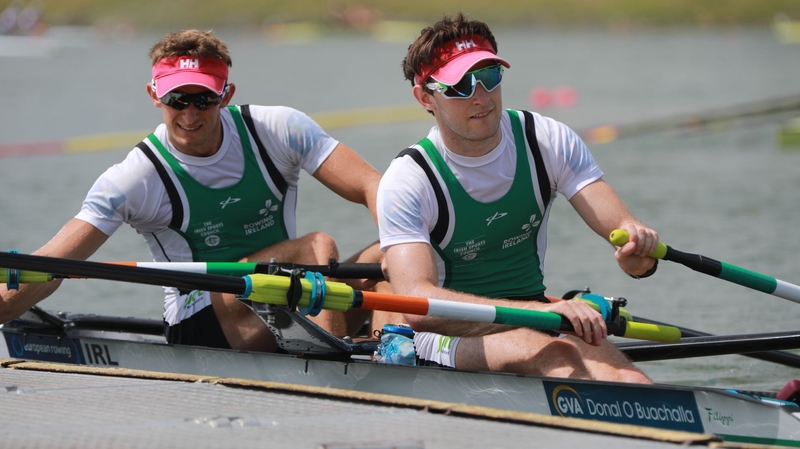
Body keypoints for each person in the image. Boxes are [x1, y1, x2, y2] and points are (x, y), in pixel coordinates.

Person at [0, 29, 384, 351]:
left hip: (284, 293)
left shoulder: (278, 129)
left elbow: (373, 186)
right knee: (315, 248)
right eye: (176, 99)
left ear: (226, 95)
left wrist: (407, 252)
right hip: (199, 320)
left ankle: (394, 349)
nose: (189, 114)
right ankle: (340, 365)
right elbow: (51, 265)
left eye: (203, 99)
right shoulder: (135, 178)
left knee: (396, 249)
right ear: (154, 95)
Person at [377, 14, 659, 383]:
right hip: (446, 334)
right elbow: (418, 305)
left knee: (631, 382)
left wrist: (638, 254)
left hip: (537, 312)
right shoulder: (409, 179)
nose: (480, 97)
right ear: (425, 97)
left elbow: (621, 228)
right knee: (559, 357)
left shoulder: (546, 140)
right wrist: (529, 312)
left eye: (489, 77)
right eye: (459, 86)